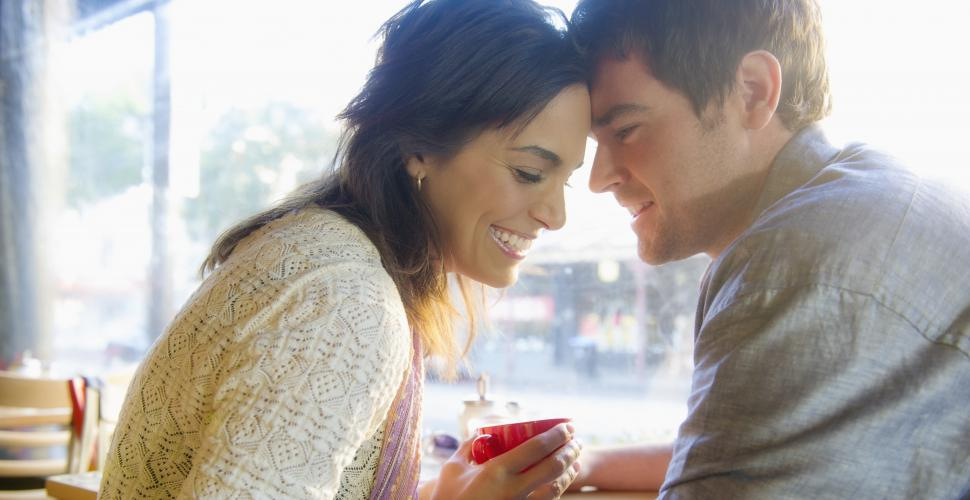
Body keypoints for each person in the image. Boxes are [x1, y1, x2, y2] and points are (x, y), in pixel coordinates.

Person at [98, 1, 590, 498]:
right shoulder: (346, 300)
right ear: (419, 147)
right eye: (529, 173)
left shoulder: (323, 251)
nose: (556, 216)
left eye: (565, 181)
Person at [566, 0, 970, 498]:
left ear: (753, 91)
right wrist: (588, 463)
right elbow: (758, 448)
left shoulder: (798, 264)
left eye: (626, 131)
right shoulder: (860, 196)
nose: (598, 178)